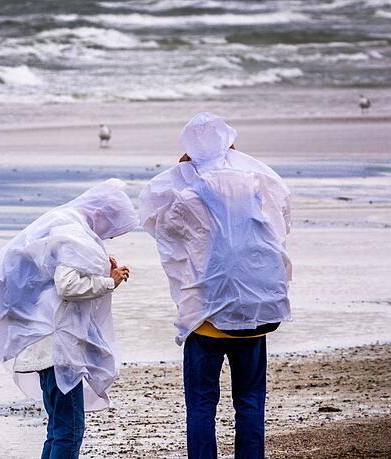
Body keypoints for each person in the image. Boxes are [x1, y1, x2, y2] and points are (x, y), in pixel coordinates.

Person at [139, 113, 292, 459]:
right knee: (250, 403)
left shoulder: (190, 192)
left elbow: (157, 218)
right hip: (255, 315)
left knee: (202, 406)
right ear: (229, 143)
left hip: (207, 318)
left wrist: (183, 172)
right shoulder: (254, 182)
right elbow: (281, 212)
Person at [0, 178, 137, 459]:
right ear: (102, 215)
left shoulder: (61, 226)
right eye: (112, 227)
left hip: (42, 345)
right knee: (70, 431)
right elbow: (67, 285)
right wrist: (109, 282)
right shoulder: (75, 236)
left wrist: (100, 272)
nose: (109, 235)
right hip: (58, 349)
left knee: (57, 429)